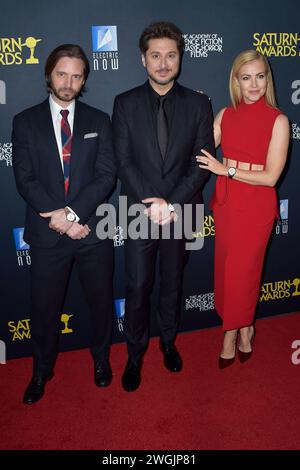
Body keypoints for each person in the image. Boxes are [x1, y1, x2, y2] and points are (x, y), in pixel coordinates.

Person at [113, 21, 214, 391]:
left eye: (170, 55)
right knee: (138, 286)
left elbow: (202, 161)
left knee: (172, 282)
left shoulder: (199, 103)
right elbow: (123, 161)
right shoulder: (124, 103)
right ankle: (135, 355)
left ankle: (168, 342)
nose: (163, 62)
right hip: (140, 211)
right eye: (155, 55)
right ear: (143, 59)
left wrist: (171, 203)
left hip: (182, 210)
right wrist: (153, 203)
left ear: (180, 58)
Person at [12, 44, 116, 404]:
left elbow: (106, 176)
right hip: (47, 235)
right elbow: (25, 180)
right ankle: (41, 371)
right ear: (48, 75)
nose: (68, 82)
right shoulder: (24, 121)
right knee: (43, 310)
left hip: (91, 232)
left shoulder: (99, 120)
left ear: (84, 78)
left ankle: (101, 361)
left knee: (101, 304)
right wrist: (61, 218)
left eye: (76, 75)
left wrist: (74, 216)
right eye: (62, 73)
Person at [196, 50, 289, 368]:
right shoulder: (226, 114)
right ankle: (244, 326)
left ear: (268, 78)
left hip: (256, 207)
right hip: (227, 204)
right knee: (225, 270)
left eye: (260, 76)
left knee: (244, 273)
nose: (253, 84)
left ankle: (230, 334)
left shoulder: (279, 120)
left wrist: (228, 171)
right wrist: (194, 110)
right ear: (236, 80)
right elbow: (201, 149)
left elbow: (272, 176)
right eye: (246, 77)